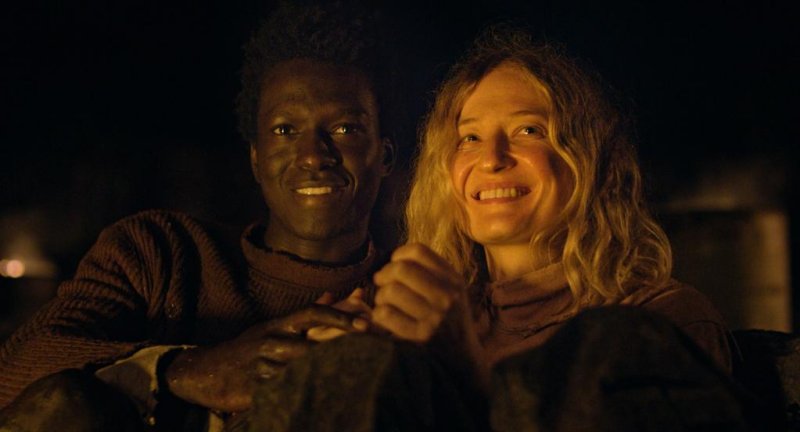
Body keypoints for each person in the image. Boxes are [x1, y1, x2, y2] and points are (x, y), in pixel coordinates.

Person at [245, 26, 747, 431]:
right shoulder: (433, 319)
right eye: (469, 138)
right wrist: (328, 365)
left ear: (588, 158)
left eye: (529, 131)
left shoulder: (662, 320)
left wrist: (458, 368)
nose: (492, 159)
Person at [0, 2, 396, 431]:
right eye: (285, 130)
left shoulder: (407, 298)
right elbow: (16, 370)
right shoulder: (160, 253)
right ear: (256, 159)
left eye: (344, 128)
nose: (313, 156)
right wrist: (189, 371)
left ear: (385, 156)